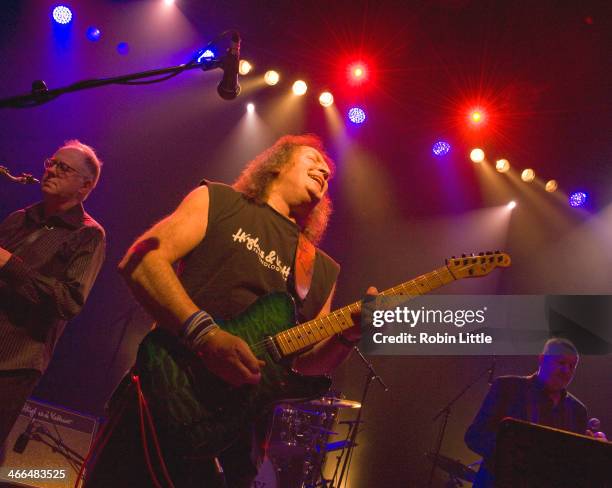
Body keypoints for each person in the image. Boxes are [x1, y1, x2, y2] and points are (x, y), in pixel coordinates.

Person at [84, 134, 375, 488]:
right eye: (312, 159)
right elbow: (143, 260)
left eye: (328, 173)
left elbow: (303, 363)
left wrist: (347, 336)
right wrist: (206, 336)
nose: (324, 170)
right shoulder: (219, 200)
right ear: (277, 164)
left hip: (237, 435)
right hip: (166, 394)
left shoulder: (321, 268)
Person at [0, 140, 105, 448]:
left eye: (63, 167)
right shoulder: (19, 218)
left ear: (85, 185)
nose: (50, 170)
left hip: (13, 364)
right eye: (51, 163)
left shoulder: (88, 234)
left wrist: (11, 265)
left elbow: (69, 302)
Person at [464, 338, 589, 487]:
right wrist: (514, 457)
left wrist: (594, 451)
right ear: (542, 359)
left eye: (572, 366)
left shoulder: (578, 411)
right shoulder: (507, 387)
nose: (566, 371)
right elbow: (475, 436)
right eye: (561, 363)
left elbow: (576, 466)